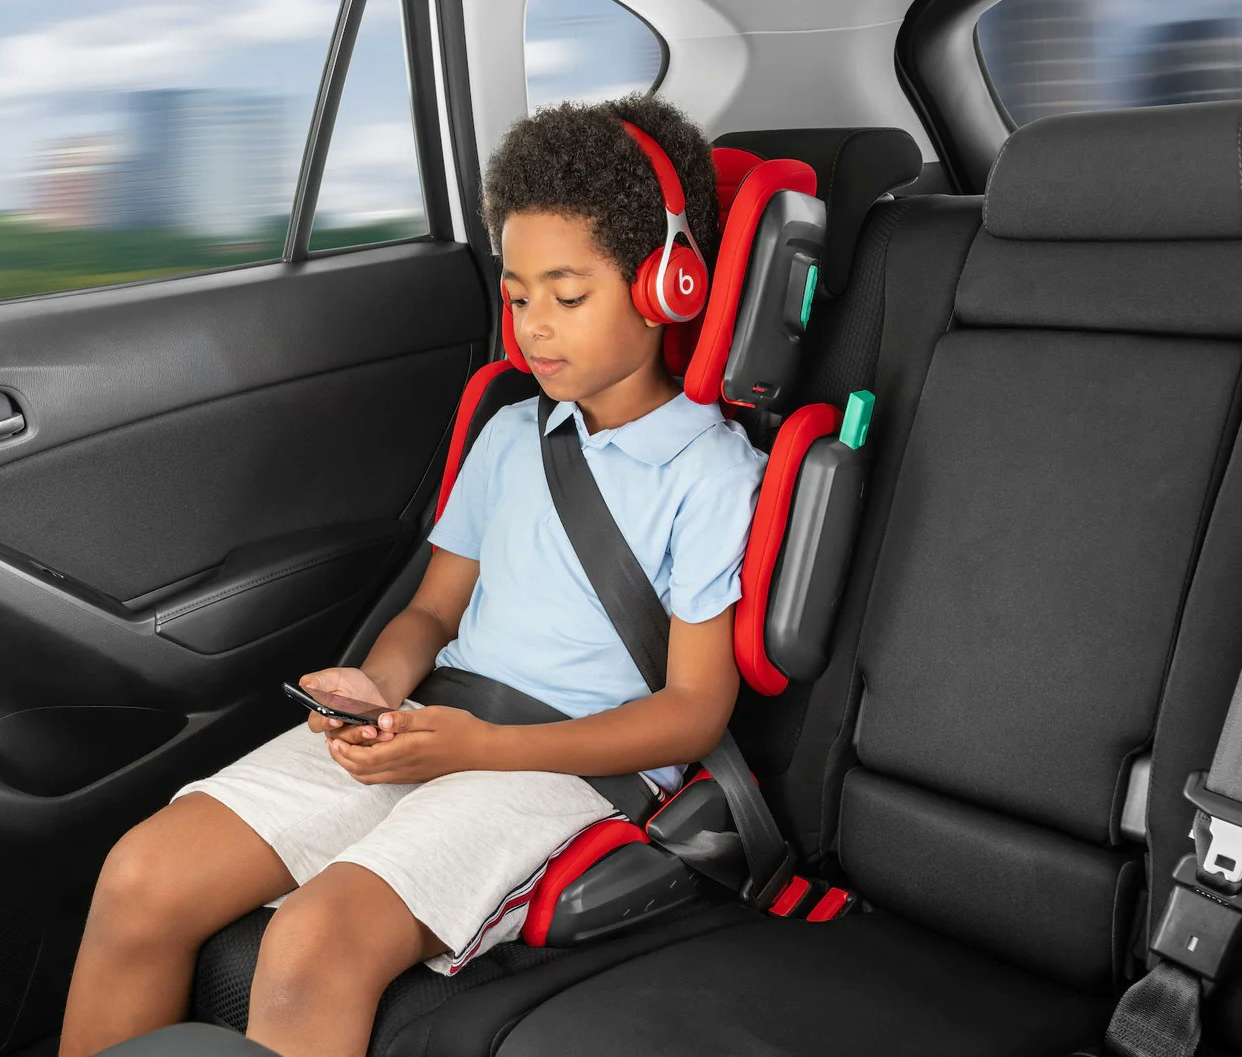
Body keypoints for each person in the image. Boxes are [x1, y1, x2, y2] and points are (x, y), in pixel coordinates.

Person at [58, 93, 767, 1057]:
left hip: (574, 767)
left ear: (668, 285)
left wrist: (475, 749)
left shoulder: (710, 470)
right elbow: (433, 609)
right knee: (143, 872)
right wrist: (378, 687)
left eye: (569, 295)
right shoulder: (514, 433)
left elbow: (692, 714)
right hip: (437, 721)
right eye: (518, 297)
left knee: (312, 944)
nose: (536, 330)